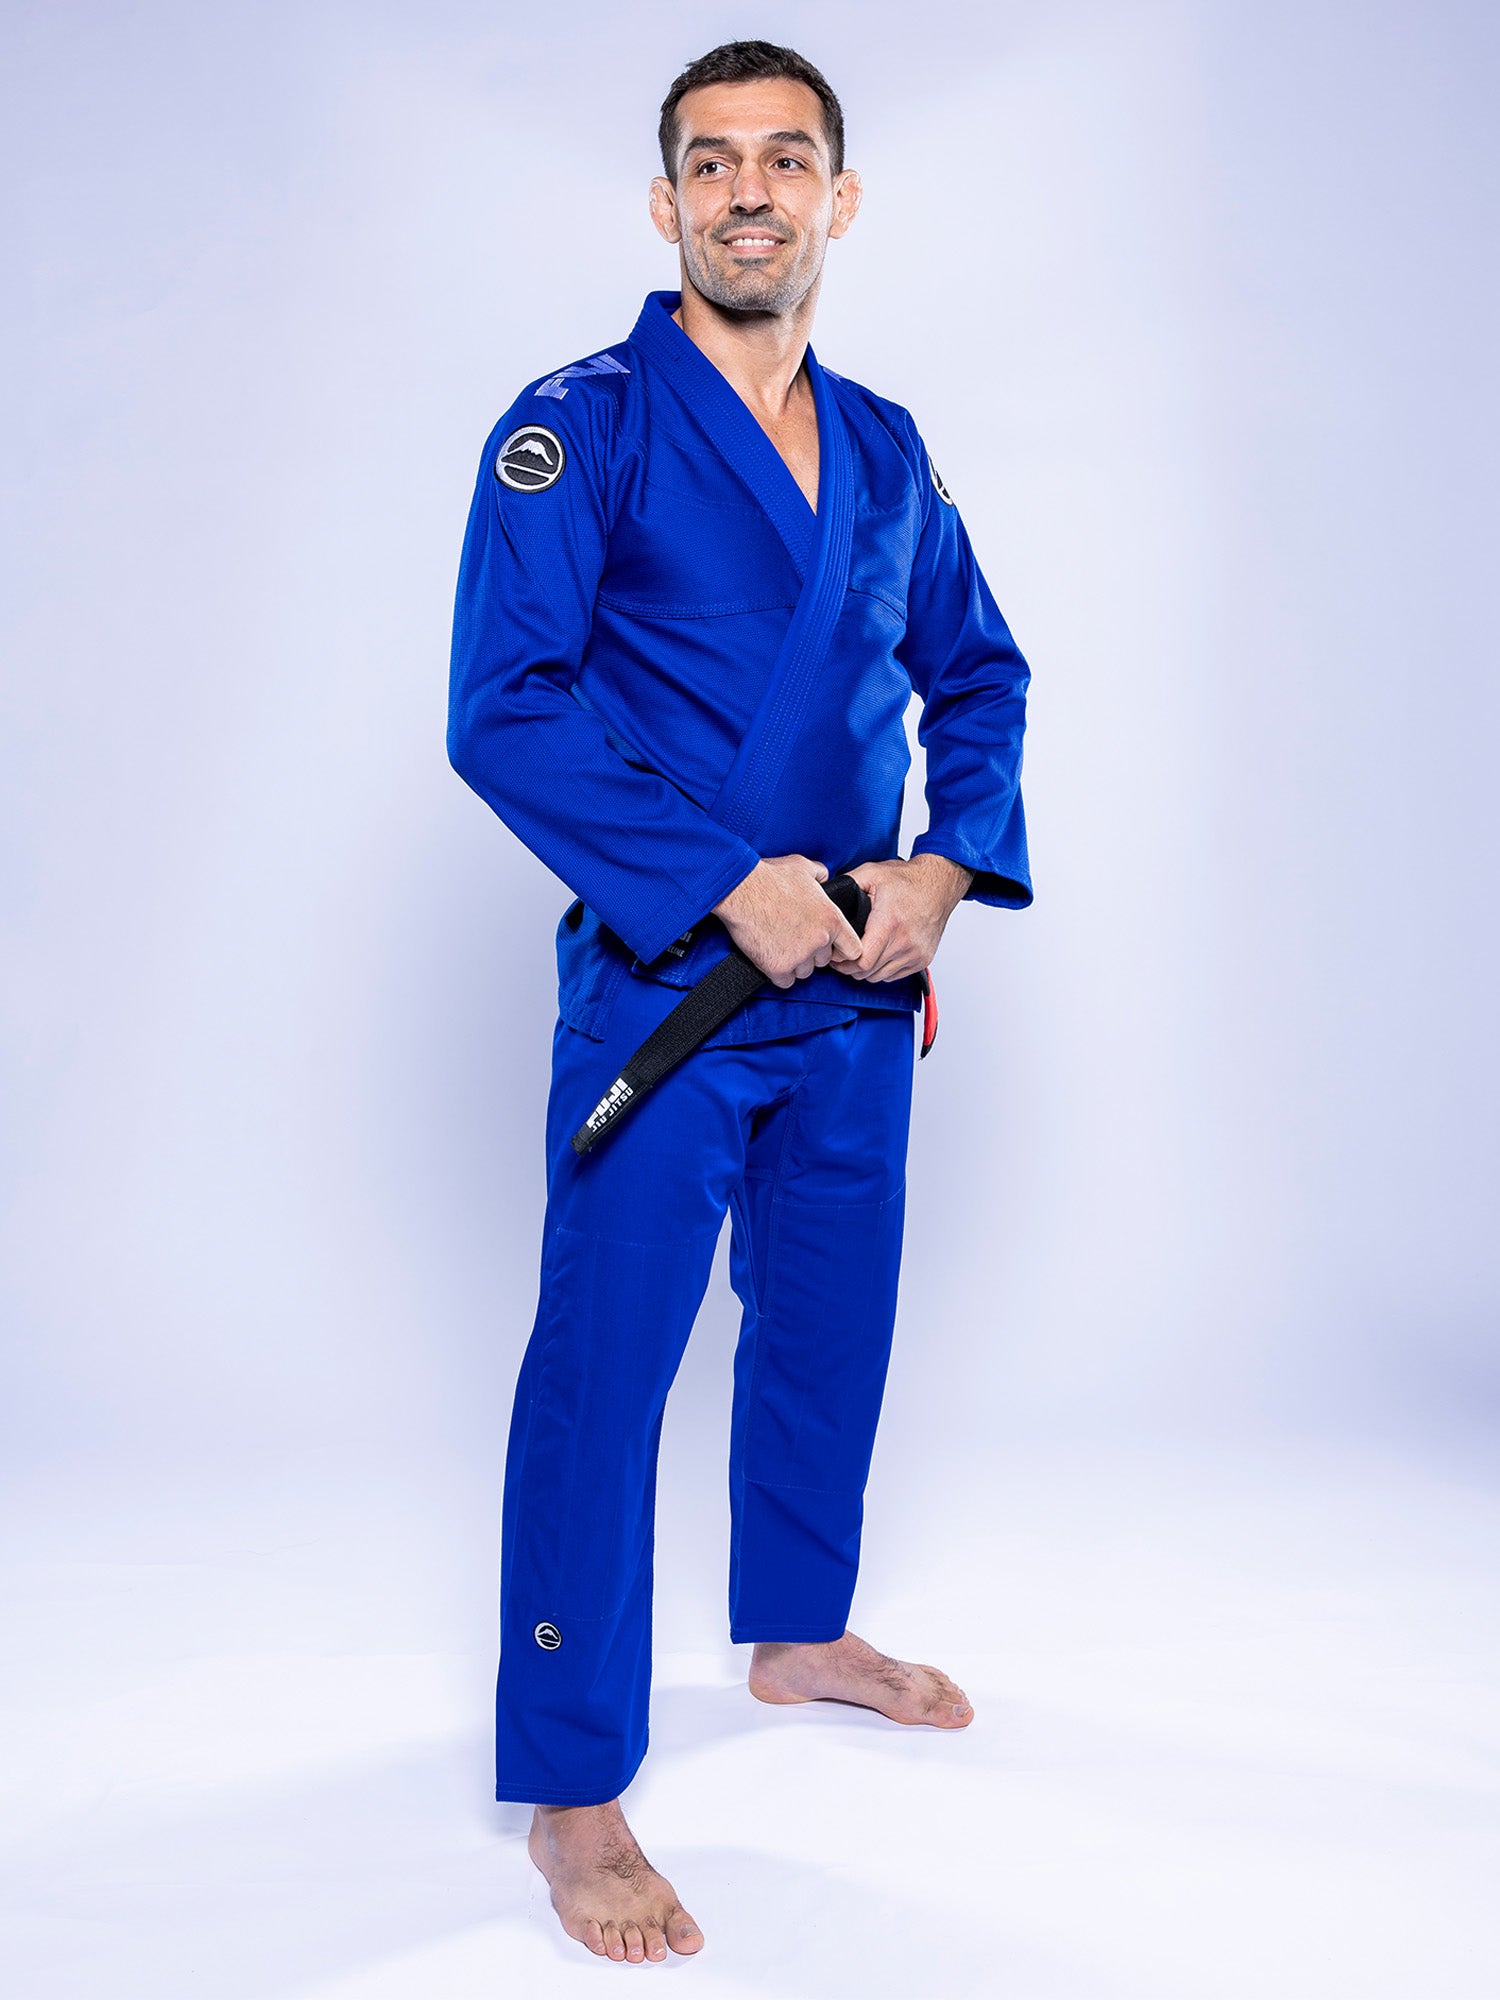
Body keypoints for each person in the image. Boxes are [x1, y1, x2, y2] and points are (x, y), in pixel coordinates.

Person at [447, 39, 1032, 1965]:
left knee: (831, 1327)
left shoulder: (885, 444)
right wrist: (723, 882)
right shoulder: (578, 424)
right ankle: (574, 1781)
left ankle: (793, 1631)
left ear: (840, 200)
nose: (751, 190)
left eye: (789, 160)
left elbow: (982, 672)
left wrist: (941, 872)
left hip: (863, 990)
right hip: (669, 995)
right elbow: (504, 704)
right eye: (713, 163)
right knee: (603, 1376)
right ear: (666, 203)